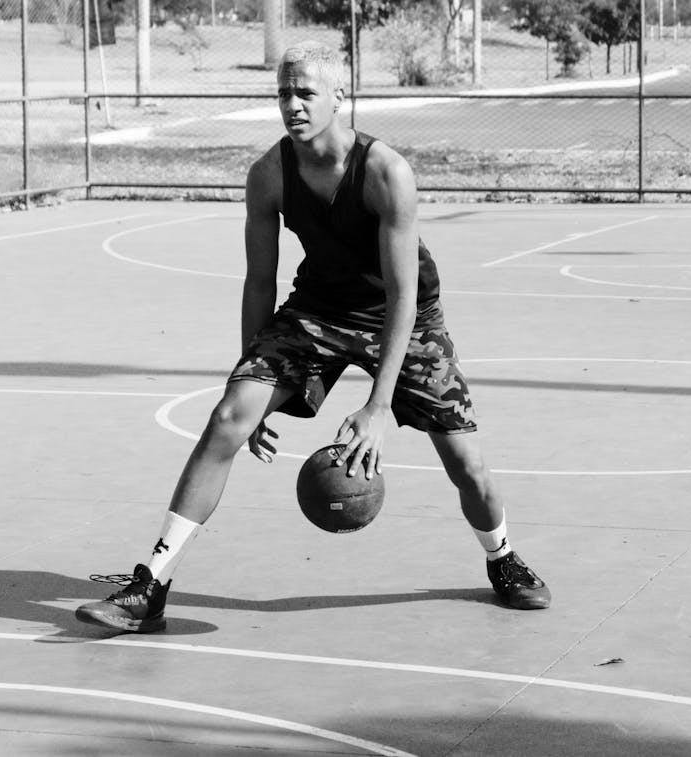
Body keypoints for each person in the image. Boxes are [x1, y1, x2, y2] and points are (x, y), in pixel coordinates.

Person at [76, 41, 550, 634]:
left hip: (404, 316)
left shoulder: (385, 172)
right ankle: (151, 586)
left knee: (465, 463)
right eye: (283, 93)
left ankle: (502, 558)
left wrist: (378, 408)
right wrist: (249, 379)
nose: (292, 105)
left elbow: (402, 296)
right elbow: (258, 281)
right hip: (318, 311)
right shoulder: (269, 174)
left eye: (305, 93)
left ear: (339, 97)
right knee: (227, 418)